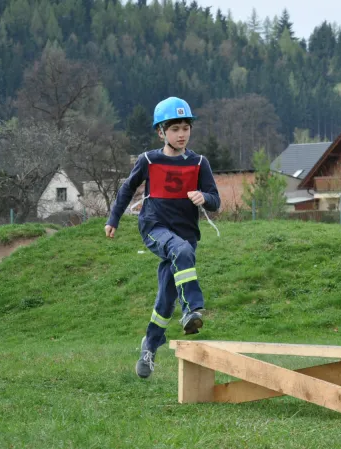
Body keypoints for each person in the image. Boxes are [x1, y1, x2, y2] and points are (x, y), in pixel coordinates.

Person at [104, 96, 221, 379]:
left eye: (186, 127)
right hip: (154, 228)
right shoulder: (148, 160)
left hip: (187, 234)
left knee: (166, 296)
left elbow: (216, 201)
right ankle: (192, 309)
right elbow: (126, 189)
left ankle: (150, 344)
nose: (182, 134)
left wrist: (202, 196)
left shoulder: (199, 163)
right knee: (180, 250)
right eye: (175, 128)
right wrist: (113, 219)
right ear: (161, 132)